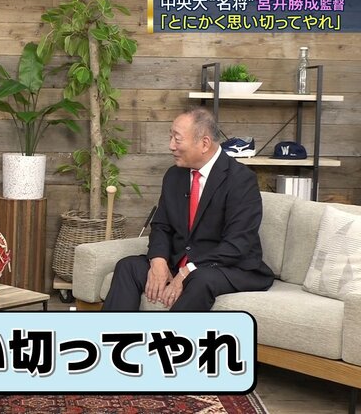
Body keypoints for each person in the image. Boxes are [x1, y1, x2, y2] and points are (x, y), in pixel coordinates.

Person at [103, 107, 274, 311]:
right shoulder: (174, 175)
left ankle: (168, 333)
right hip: (180, 262)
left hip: (226, 267)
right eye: (170, 138)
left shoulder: (240, 180)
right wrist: (158, 261)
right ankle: (112, 332)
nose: (171, 146)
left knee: (200, 279)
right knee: (128, 266)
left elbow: (237, 244)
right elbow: (161, 226)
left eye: (177, 139)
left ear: (204, 143)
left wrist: (187, 271)